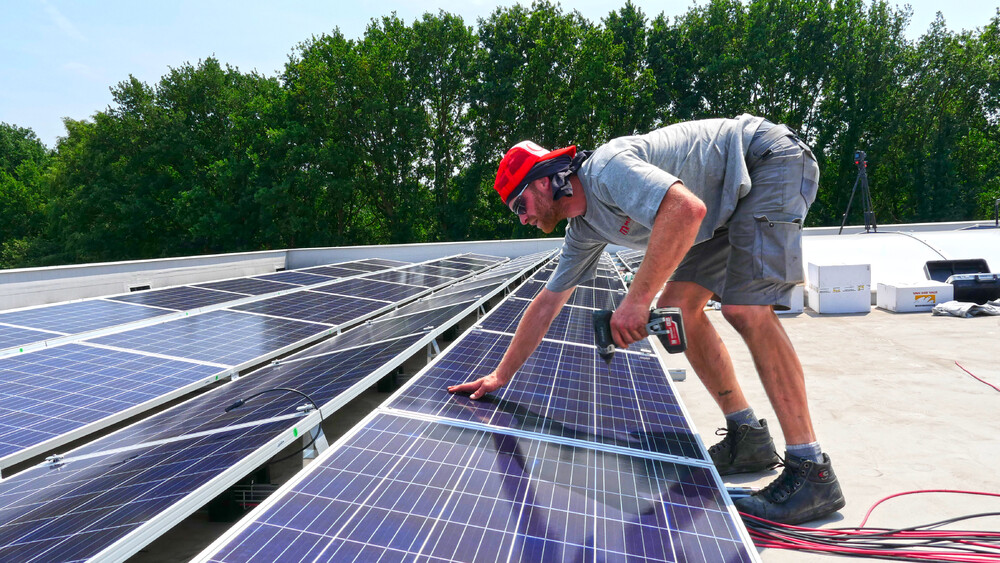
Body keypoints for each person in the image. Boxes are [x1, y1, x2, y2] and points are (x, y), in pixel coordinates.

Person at [447, 114, 846, 525]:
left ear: (544, 181)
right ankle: (748, 439)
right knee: (681, 311)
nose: (523, 218)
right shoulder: (583, 229)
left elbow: (686, 210)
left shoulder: (605, 169)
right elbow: (547, 303)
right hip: (723, 211)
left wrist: (636, 301)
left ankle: (810, 470)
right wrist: (500, 376)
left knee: (745, 309)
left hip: (763, 161)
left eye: (520, 204)